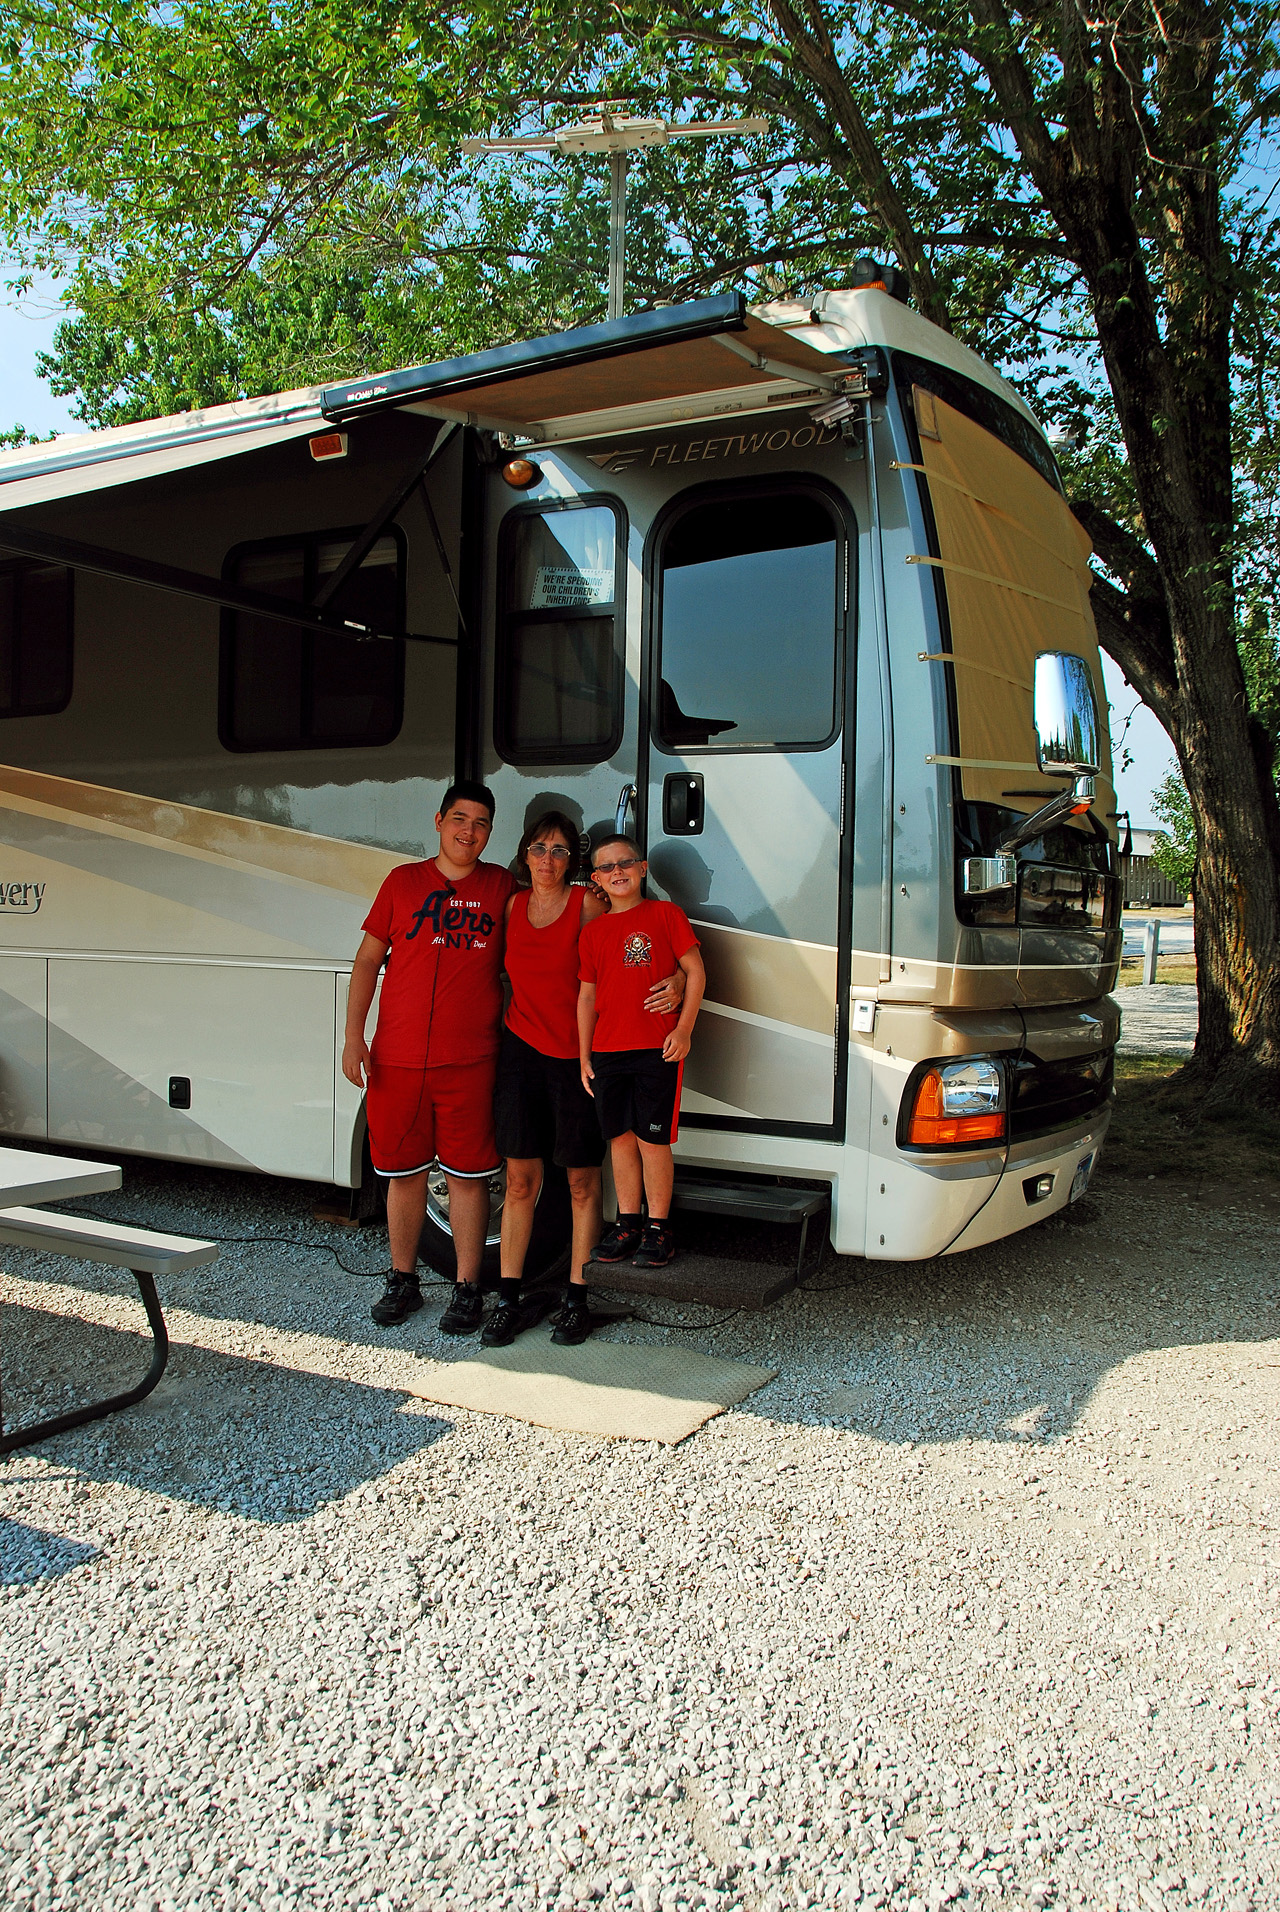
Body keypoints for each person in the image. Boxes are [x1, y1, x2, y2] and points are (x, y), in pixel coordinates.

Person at [487, 811, 686, 1348]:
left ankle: (578, 1296)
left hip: (578, 1057)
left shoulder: (588, 903)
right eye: (538, 848)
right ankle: (507, 1297)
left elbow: (630, 944)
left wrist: (678, 979)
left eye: (558, 850)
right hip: (520, 1052)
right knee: (521, 1180)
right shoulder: (510, 905)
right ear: (524, 855)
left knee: (580, 1182)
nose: (547, 859)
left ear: (573, 862)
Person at [342, 780, 515, 1332]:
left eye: (482, 823)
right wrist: (353, 1037)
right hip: (398, 1059)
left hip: (470, 1060)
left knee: (468, 1178)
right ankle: (403, 1279)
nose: (470, 831)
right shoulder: (402, 882)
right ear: (439, 821)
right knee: (404, 1174)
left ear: (490, 832)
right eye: (460, 819)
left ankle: (468, 1288)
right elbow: (368, 960)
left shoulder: (501, 887)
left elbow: (548, 937)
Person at [577, 836, 706, 1270]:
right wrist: (584, 1056)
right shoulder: (593, 932)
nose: (618, 872)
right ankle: (628, 1222)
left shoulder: (666, 915)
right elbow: (586, 996)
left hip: (657, 1048)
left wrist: (684, 1028)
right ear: (596, 879)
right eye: (607, 867)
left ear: (643, 868)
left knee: (653, 1141)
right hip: (608, 1050)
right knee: (620, 1139)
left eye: (626, 863)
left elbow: (695, 971)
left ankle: (659, 1228)